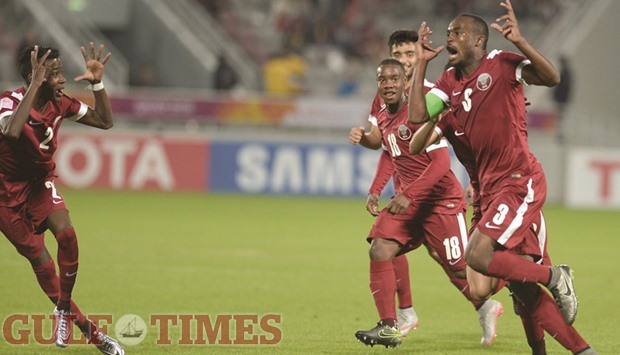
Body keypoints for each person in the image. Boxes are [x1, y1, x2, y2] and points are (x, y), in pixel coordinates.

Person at [407, 1, 596, 353]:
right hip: (489, 193)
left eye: (457, 33)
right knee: (513, 285)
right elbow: (417, 119)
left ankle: (555, 276)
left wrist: (521, 42)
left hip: (517, 181)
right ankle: (581, 351)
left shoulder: (502, 64)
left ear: (479, 41)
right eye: (448, 33)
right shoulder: (449, 83)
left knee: (478, 257)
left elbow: (552, 78)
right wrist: (420, 63)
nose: (449, 37)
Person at [349, 29, 503, 345]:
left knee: (463, 269)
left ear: (413, 69)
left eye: (409, 56)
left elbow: (444, 160)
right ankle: (392, 323)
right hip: (408, 199)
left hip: (438, 198)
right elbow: (388, 148)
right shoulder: (382, 101)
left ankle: (516, 277)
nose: (402, 66)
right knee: (381, 248)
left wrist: (475, 181)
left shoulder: (428, 102)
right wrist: (377, 188)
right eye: (398, 57)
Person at [0, 43, 125, 355]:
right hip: (4, 195)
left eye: (60, 74)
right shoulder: (8, 102)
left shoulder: (62, 103)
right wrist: (34, 85)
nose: (63, 80)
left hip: (39, 184)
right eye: (54, 75)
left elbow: (104, 121)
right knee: (42, 263)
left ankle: (62, 311)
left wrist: (97, 83)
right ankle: (93, 334)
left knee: (67, 234)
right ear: (35, 77)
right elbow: (12, 131)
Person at [552, 55, 572, 143]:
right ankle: (559, 134)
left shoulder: (565, 73)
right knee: (560, 117)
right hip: (561, 99)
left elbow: (564, 87)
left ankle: (561, 135)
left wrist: (559, 97)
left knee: (561, 117)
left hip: (562, 100)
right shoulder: (565, 73)